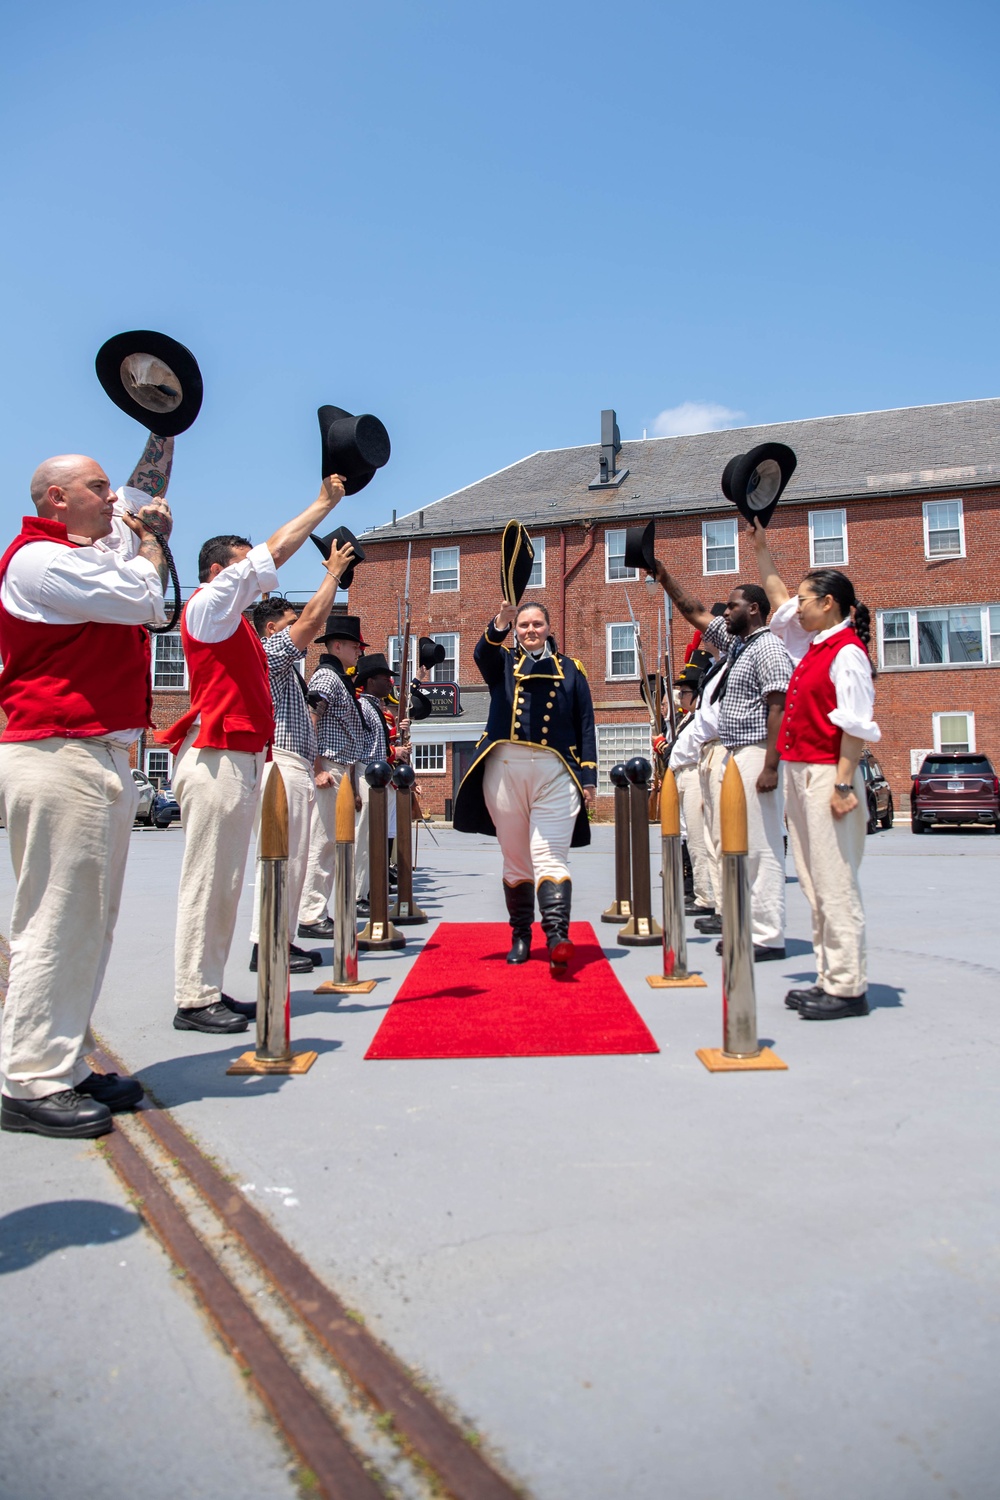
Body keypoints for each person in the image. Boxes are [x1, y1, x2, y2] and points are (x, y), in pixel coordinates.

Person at [0, 434, 173, 1137]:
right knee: (57, 917)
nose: (112, 499)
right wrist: (154, 546)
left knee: (88, 920)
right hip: (57, 750)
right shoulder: (41, 562)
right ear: (56, 499)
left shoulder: (88, 549)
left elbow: (141, 494)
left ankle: (62, 1060)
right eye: (96, 489)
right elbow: (143, 597)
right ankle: (29, 1077)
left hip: (94, 752)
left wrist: (164, 421)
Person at [159, 474, 348, 1035]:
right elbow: (276, 552)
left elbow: (298, 626)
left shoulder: (236, 627)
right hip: (216, 755)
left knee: (228, 879)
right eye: (243, 568)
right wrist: (321, 506)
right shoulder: (209, 606)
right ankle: (193, 996)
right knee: (209, 878)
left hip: (237, 758)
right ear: (219, 574)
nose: (257, 582)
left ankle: (207, 989)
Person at [653, 562, 794, 960]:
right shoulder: (739, 646)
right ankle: (744, 925)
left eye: (731, 606)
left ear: (753, 609)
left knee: (760, 846)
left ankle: (767, 935)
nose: (723, 613)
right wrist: (662, 573)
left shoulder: (768, 647)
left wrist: (770, 765)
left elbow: (779, 705)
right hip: (734, 754)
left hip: (755, 752)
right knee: (734, 844)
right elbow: (694, 610)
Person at [453, 599, 597, 977]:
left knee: (551, 857)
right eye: (524, 625)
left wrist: (589, 777)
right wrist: (500, 617)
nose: (530, 630)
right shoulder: (502, 663)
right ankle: (520, 936)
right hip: (505, 769)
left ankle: (556, 938)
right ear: (516, 630)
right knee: (516, 860)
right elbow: (481, 650)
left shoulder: (571, 670)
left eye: (537, 624)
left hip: (555, 772)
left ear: (549, 628)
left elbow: (585, 724)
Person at [247, 536, 356, 979]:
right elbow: (313, 622)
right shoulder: (269, 655)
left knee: (292, 860)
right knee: (281, 858)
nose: (300, 628)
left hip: (296, 763)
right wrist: (331, 575)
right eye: (289, 621)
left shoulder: (286, 667)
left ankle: (282, 936)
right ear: (273, 629)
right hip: (282, 762)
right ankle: (266, 941)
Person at [297, 615, 369, 935]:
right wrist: (317, 769)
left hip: (340, 768)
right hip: (328, 766)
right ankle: (310, 914)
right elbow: (310, 719)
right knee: (322, 843)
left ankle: (317, 909)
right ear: (336, 645)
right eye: (355, 646)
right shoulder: (327, 677)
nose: (359, 652)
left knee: (333, 844)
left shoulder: (339, 678)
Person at [352, 653, 411, 907]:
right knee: (363, 838)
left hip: (377, 777)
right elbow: (365, 747)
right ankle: (358, 894)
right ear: (371, 680)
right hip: (368, 774)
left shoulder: (375, 707)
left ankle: (368, 891)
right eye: (385, 677)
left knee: (374, 838)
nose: (390, 682)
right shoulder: (364, 707)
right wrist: (393, 753)